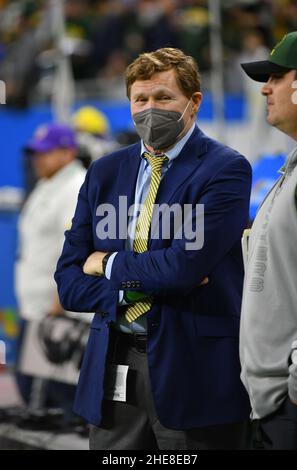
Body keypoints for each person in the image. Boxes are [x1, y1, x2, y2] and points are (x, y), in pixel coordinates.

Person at [55, 47, 252, 450]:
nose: (150, 109)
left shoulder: (225, 169)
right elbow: (69, 282)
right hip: (114, 359)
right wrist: (151, 278)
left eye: (163, 98)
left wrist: (107, 263)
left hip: (192, 368)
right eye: (140, 99)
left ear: (193, 103)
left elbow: (182, 267)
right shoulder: (105, 172)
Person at [240, 31, 297, 450]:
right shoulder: (290, 168)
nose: (266, 87)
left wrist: (295, 392)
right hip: (273, 405)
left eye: (278, 76)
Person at [15, 123, 86, 422]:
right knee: (37, 401)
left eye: (45, 153)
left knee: (61, 401)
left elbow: (73, 249)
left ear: (68, 152)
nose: (37, 159)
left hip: (57, 313)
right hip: (36, 310)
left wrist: (61, 302)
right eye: (35, 153)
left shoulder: (75, 187)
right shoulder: (46, 183)